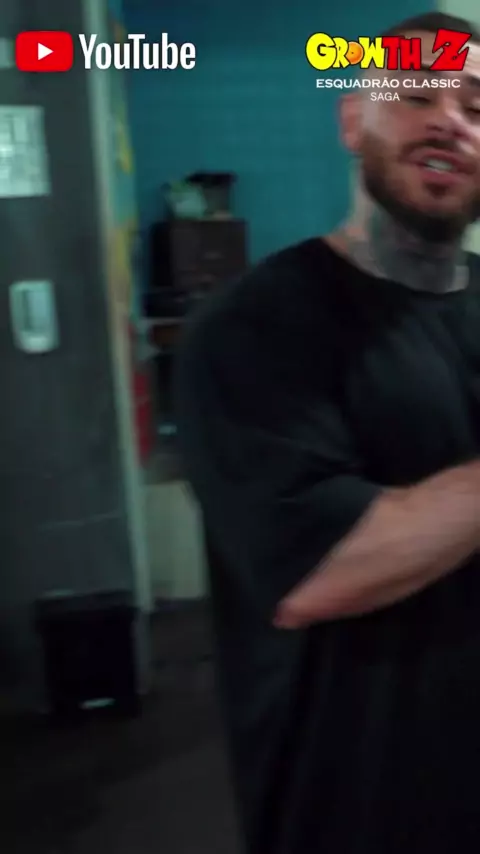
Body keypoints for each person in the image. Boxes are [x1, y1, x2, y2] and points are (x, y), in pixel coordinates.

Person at [175, 12, 480, 854]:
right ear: (353, 119)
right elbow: (317, 573)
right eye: (416, 94)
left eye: (476, 107)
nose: (450, 121)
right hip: (358, 807)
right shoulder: (252, 328)